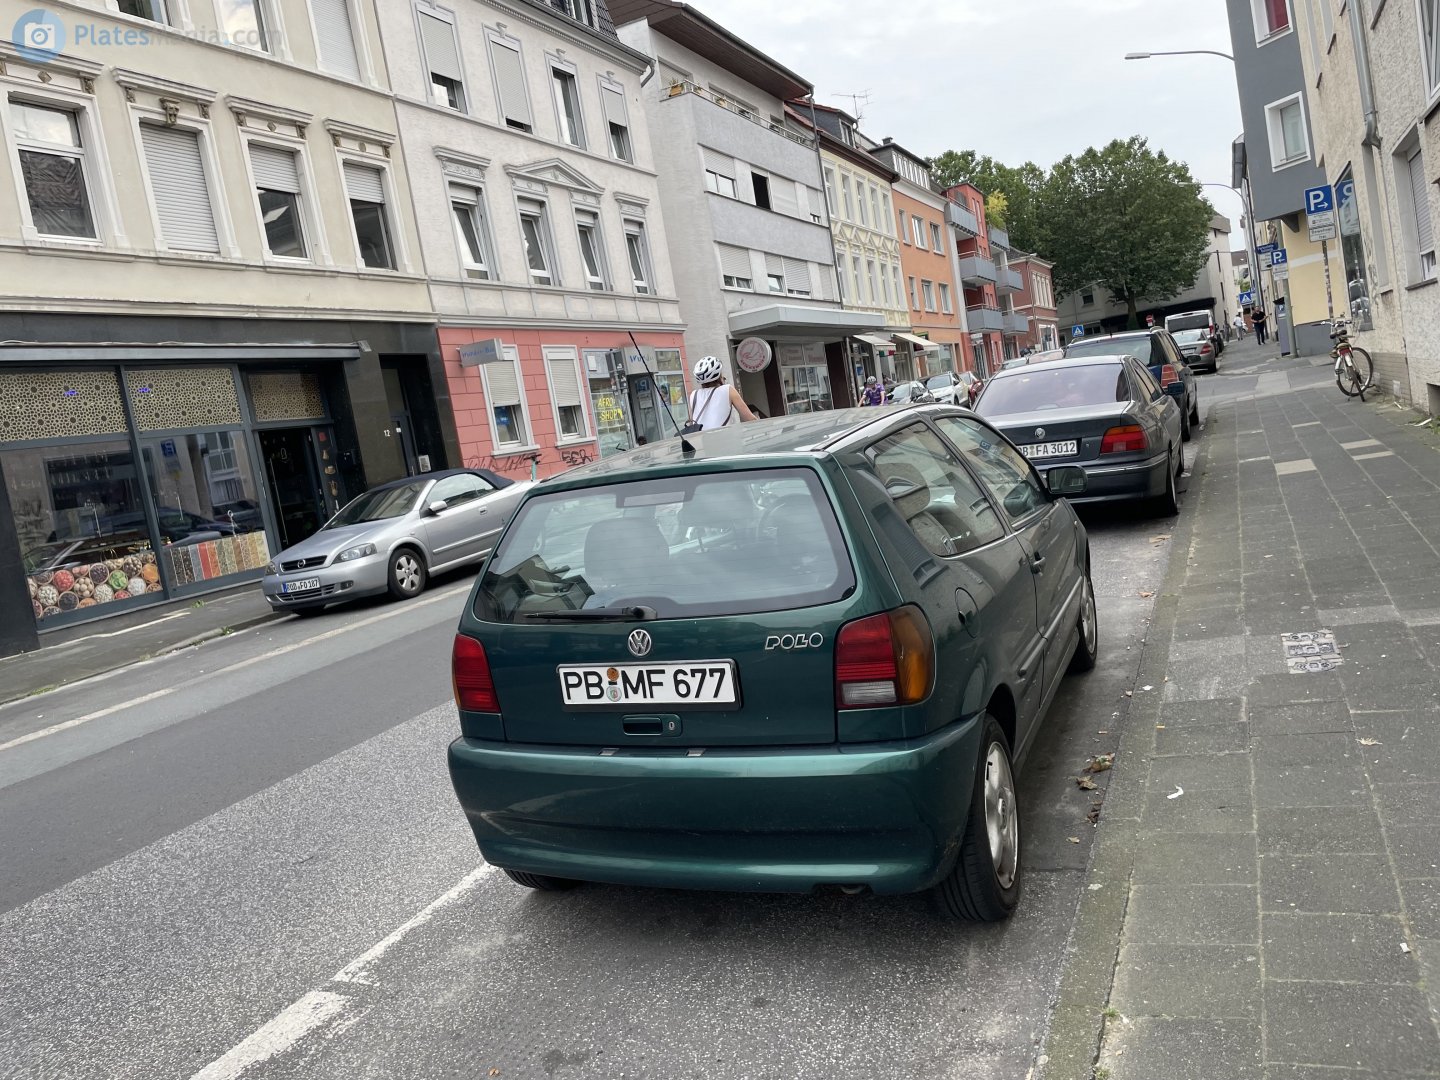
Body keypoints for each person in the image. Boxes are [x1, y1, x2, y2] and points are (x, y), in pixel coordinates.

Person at [685, 356, 756, 431]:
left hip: (703, 440)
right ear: (719, 375)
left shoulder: (694, 394)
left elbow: (692, 422)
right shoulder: (728, 389)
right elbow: (749, 418)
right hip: (724, 439)